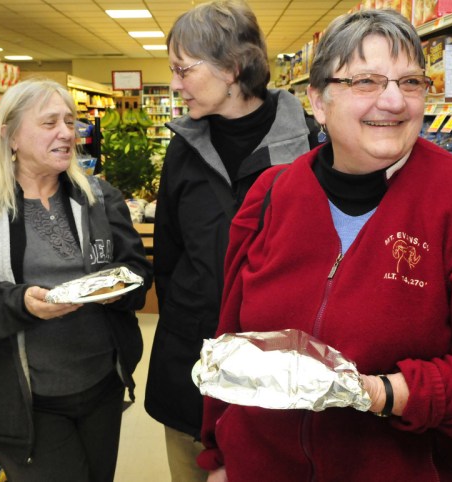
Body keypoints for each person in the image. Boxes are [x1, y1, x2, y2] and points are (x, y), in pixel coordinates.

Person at [198, 9, 452, 482]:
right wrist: (220, 456)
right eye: (366, 82)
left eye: (411, 82)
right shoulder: (271, 195)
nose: (393, 101)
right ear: (318, 100)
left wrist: (392, 394)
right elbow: (233, 342)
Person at [0, 78, 152, 482]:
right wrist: (21, 303)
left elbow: (136, 270)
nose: (66, 133)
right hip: (25, 402)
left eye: (70, 121)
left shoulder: (98, 197)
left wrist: (119, 289)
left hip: (101, 386)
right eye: (49, 123)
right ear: (11, 136)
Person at [143, 1, 322, 481]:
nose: (176, 84)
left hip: (281, 376)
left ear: (232, 68)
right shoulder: (183, 148)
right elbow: (169, 255)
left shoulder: (309, 143)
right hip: (191, 368)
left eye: (184, 69)